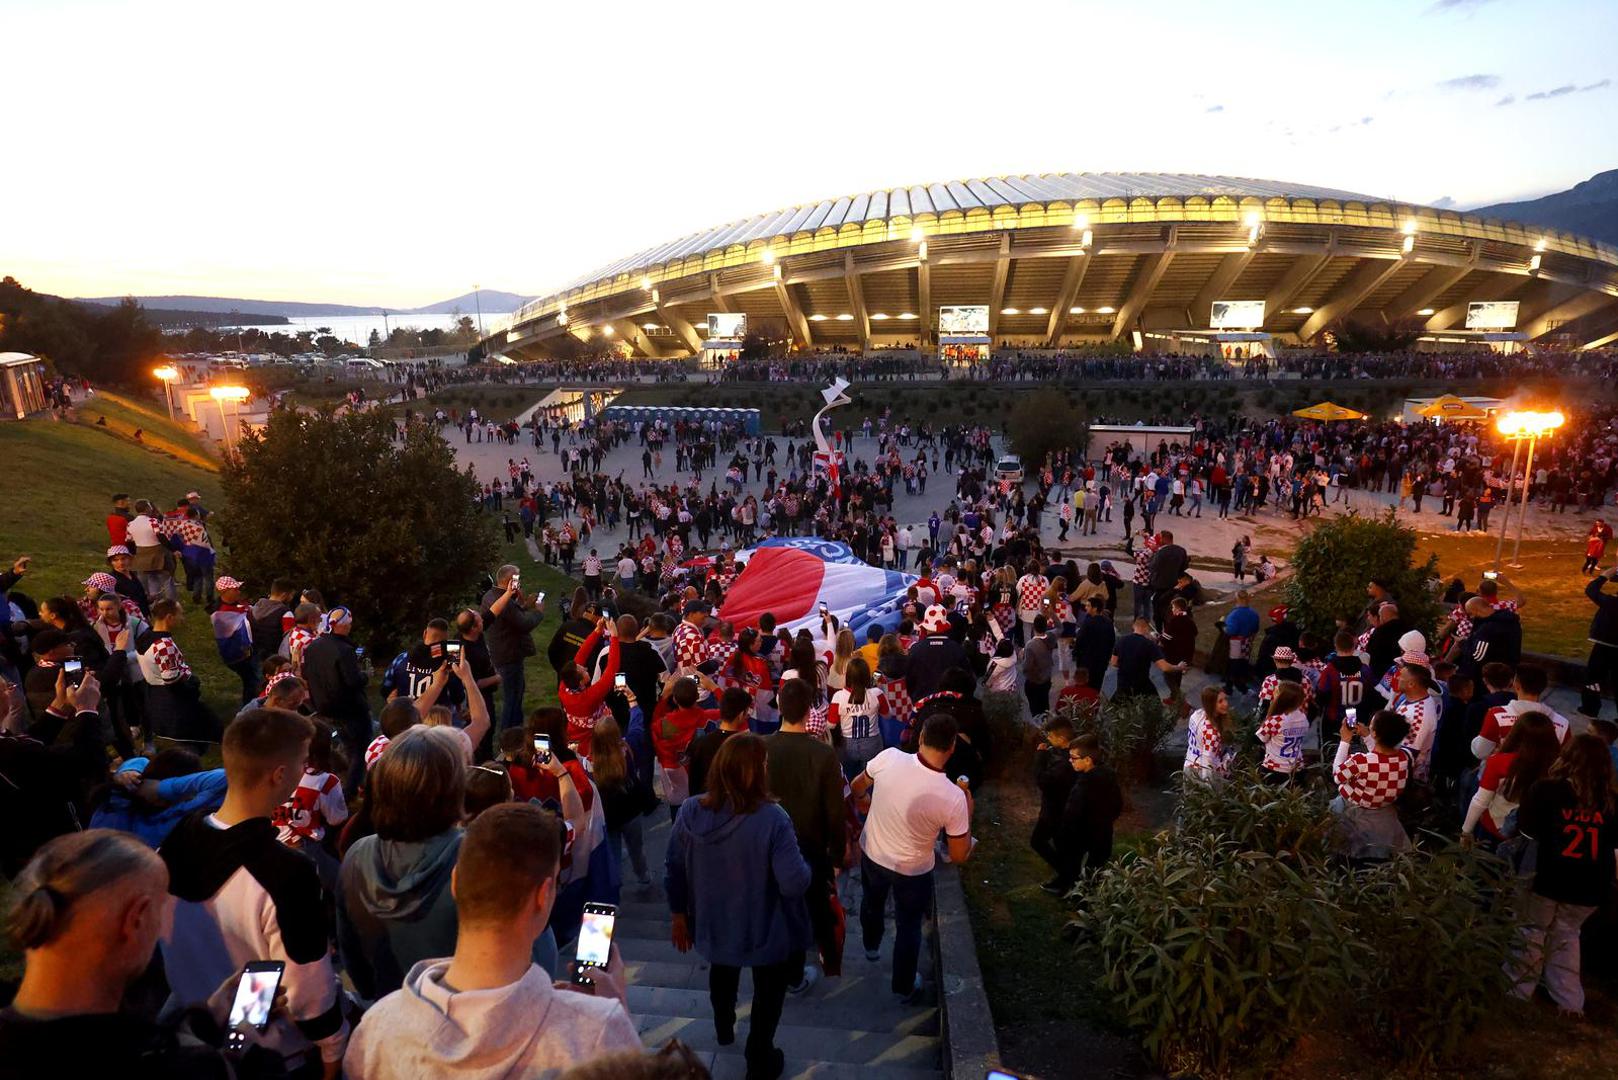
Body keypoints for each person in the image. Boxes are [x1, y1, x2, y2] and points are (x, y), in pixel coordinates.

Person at [343, 803, 639, 1079]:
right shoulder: (598, 1033)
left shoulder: (375, 1031)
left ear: (456, 882)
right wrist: (617, 1009)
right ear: (542, 896)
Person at [159, 707, 350, 1077]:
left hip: (193, 1028)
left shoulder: (178, 838)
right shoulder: (286, 873)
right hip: (268, 1054)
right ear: (279, 775)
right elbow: (310, 995)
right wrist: (333, 1048)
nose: (304, 771)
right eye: (302, 763)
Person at [0, 830, 271, 1080]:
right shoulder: (182, 1067)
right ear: (136, 919)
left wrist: (203, 1020)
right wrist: (247, 1059)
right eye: (161, 910)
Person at [666, 734, 812, 1080]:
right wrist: (807, 867)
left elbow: (673, 867)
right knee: (768, 994)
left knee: (723, 972)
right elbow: (793, 882)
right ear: (758, 772)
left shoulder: (690, 811)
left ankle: (724, 1025)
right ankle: (759, 1055)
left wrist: (679, 914)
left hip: (715, 921)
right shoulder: (774, 819)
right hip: (766, 926)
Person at [850, 714, 973, 1001]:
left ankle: (870, 945)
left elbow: (857, 786)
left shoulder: (889, 757)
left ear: (920, 738)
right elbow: (958, 854)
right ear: (952, 748)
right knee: (908, 926)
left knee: (872, 901)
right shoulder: (953, 797)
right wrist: (969, 812)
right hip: (913, 870)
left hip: (873, 853)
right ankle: (904, 985)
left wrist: (864, 802)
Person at [1509, 734, 1618, 1016]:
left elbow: (1526, 829)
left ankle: (1518, 990)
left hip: (1546, 877)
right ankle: (1569, 1002)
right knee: (1568, 935)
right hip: (1590, 885)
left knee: (1531, 932)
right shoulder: (1611, 802)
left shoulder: (1546, 790)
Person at [765, 678, 846, 987]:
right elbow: (835, 812)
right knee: (807, 908)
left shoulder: (761, 747)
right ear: (808, 710)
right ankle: (798, 971)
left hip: (769, 846)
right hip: (811, 847)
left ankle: (787, 967)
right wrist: (837, 855)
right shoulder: (823, 755)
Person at [0, 672, 111, 877]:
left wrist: (59, 705)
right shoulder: (12, 754)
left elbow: (26, 745)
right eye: (6, 689)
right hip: (54, 853)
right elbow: (88, 760)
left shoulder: (11, 749)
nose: (11, 692)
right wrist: (86, 708)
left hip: (23, 853)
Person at [1461, 711, 1560, 850]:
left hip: (1493, 829)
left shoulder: (1499, 762)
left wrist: (1466, 831)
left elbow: (1480, 801)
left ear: (1516, 734)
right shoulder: (1555, 768)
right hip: (1530, 835)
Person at [302, 606, 370, 795]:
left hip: (323, 707)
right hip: (349, 709)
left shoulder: (313, 646)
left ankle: (348, 782)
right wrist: (365, 676)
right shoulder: (345, 650)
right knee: (358, 750)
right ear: (344, 626)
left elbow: (308, 674)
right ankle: (349, 792)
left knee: (342, 747)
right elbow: (352, 681)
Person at [1330, 709, 1412, 859]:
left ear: (1375, 733)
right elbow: (1379, 758)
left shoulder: (1361, 761)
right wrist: (1368, 736)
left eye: (1371, 725)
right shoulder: (1404, 758)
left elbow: (1337, 776)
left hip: (1355, 809)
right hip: (1384, 810)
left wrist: (1344, 741)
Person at [1052, 734, 1123, 891]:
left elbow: (1072, 814)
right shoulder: (1108, 777)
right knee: (1094, 870)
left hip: (1080, 836)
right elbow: (1118, 805)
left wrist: (1065, 833)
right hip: (1103, 834)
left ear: (1088, 760)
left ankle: (1072, 893)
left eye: (1073, 757)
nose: (1070, 760)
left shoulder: (1084, 785)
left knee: (1076, 866)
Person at [480, 565, 546, 733]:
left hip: (499, 652)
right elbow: (523, 624)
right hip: (509, 655)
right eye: (517, 578)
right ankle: (510, 735)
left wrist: (523, 605)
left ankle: (513, 733)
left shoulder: (490, 595)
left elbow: (509, 617)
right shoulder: (505, 602)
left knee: (514, 695)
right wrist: (538, 612)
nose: (520, 581)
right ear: (510, 581)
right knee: (513, 699)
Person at [1032, 714, 1077, 892]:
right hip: (1062, 809)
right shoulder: (1072, 753)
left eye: (1050, 736)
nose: (1048, 739)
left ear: (1062, 738)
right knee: (1062, 845)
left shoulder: (1066, 764)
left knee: (1038, 841)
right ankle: (1067, 876)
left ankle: (1069, 876)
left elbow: (1043, 780)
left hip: (1055, 810)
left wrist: (1040, 757)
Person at [1110, 617, 1185, 701]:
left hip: (1122, 685)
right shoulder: (1149, 644)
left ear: (1134, 627)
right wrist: (1179, 667)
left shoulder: (1121, 641)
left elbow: (1114, 662)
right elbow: (1165, 668)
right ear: (1146, 628)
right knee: (1154, 707)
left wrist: (1128, 663)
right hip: (1141, 686)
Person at [1256, 682, 1309, 784]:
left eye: (1276, 693)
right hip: (1297, 768)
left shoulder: (1275, 721)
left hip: (1274, 770)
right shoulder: (1303, 718)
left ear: (1282, 699)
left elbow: (1259, 739)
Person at [1183, 686, 1235, 785]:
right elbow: (1207, 764)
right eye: (1220, 701)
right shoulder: (1212, 734)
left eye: (1225, 699)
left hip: (1189, 765)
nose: (1226, 704)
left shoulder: (1196, 715)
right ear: (1211, 704)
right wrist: (1210, 787)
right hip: (1202, 774)